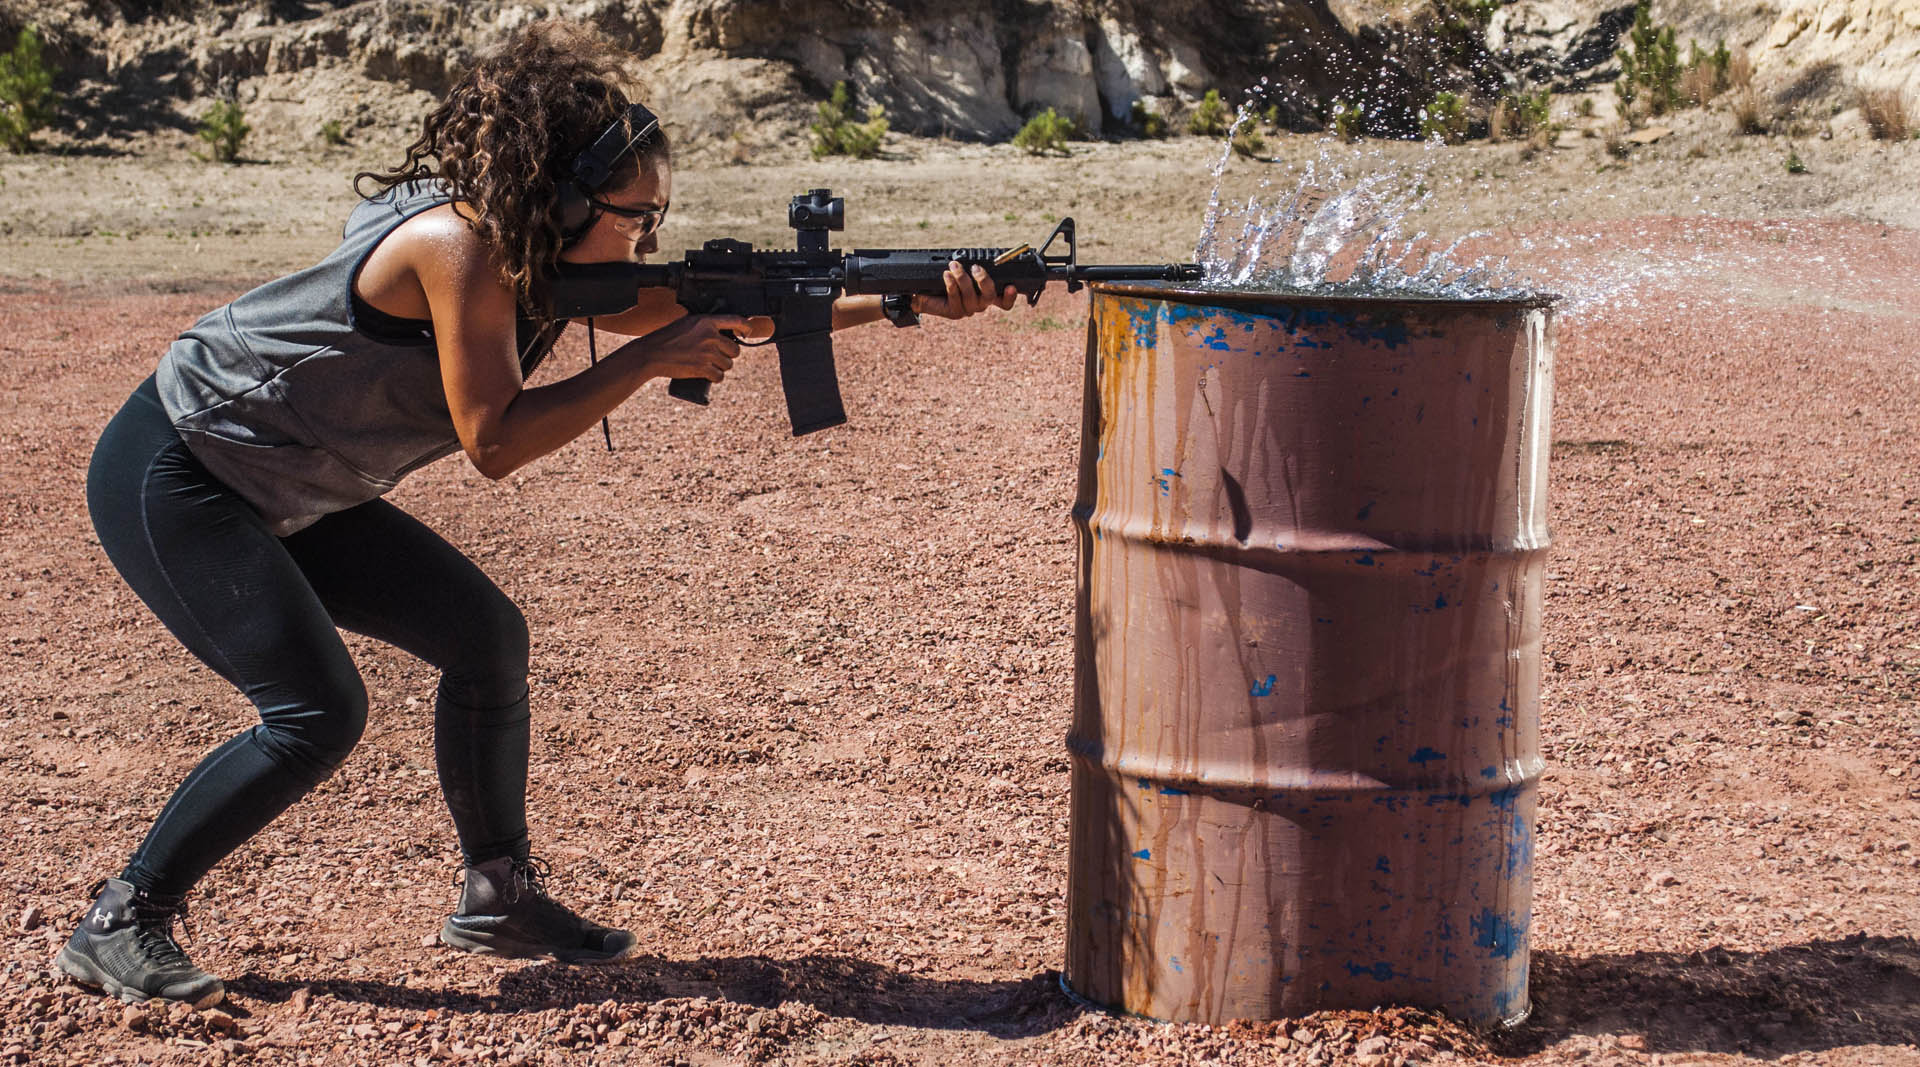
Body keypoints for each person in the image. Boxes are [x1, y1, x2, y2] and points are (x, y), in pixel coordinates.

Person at [56, 19, 1017, 1008]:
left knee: (484, 638)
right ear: (559, 195)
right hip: (183, 468)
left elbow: (745, 310)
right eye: (635, 213)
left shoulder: (540, 255)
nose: (649, 235)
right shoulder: (459, 247)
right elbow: (497, 442)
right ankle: (121, 919)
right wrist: (647, 360)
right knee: (317, 711)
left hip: (303, 479)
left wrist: (904, 300)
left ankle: (497, 894)